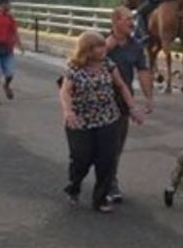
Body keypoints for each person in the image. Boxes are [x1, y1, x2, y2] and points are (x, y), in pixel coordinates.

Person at [59, 30, 143, 213]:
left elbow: (121, 86)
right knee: (82, 158)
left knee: (107, 159)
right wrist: (68, 111)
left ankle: (101, 198)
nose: (103, 49)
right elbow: (65, 91)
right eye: (98, 46)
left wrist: (133, 108)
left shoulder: (108, 64)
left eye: (103, 45)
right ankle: (74, 186)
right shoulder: (74, 67)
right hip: (81, 121)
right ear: (88, 49)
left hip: (107, 118)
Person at [105, 6, 155, 203]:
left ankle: (110, 181)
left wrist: (148, 97)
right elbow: (81, 62)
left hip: (123, 102)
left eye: (133, 20)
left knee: (116, 144)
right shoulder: (102, 43)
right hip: (100, 101)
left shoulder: (136, 46)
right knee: (98, 147)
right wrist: (107, 47)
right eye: (128, 20)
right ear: (116, 21)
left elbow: (142, 71)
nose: (132, 23)